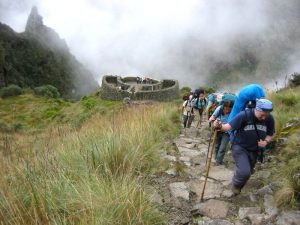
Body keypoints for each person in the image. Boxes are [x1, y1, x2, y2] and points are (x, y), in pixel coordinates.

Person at [213, 98, 275, 195]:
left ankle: (238, 185)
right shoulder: (244, 115)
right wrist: (219, 126)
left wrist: (266, 142)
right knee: (245, 172)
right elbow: (228, 127)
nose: (264, 118)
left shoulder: (269, 118)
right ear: (257, 109)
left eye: (266, 115)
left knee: (248, 172)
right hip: (239, 147)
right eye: (262, 115)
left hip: (255, 150)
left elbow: (270, 134)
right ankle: (235, 185)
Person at [209, 100, 234, 165]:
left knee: (222, 148)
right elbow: (213, 117)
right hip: (218, 130)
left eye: (229, 109)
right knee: (217, 145)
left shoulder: (234, 112)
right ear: (223, 107)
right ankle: (216, 158)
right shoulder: (219, 108)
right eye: (226, 109)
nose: (227, 111)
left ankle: (218, 162)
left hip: (227, 132)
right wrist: (212, 120)